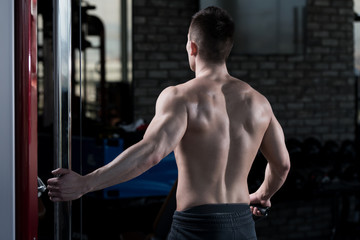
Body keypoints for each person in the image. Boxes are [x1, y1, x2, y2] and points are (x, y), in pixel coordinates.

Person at [47, 6, 290, 240]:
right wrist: (262, 194)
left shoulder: (180, 97)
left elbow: (151, 152)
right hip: (243, 226)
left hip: (197, 226)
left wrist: (85, 183)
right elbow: (282, 165)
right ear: (228, 48)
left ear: (192, 47)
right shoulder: (259, 103)